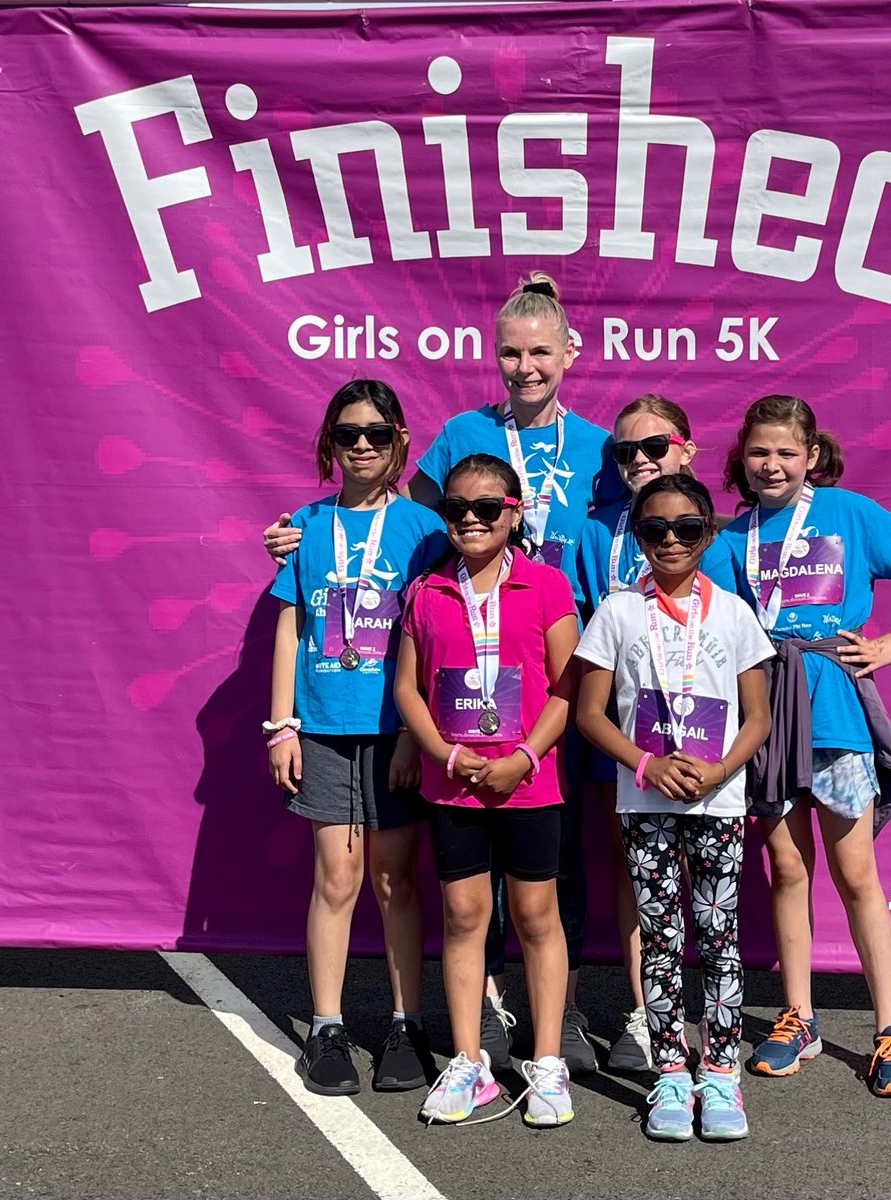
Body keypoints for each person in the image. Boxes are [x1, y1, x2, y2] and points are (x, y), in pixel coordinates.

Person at [264, 272, 617, 1076]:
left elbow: (634, 530)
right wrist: (292, 541)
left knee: (555, 858)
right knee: (466, 873)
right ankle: (480, 1009)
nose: (525, 366)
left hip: (555, 662)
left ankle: (551, 1019)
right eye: (510, 353)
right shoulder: (459, 433)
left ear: (569, 352)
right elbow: (409, 532)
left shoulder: (598, 446)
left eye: (539, 351)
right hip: (452, 692)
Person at [717, 394, 891, 1098]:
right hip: (766, 714)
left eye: (786, 453)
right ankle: (800, 1016)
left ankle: (890, 1026)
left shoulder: (848, 513)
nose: (772, 464)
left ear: (812, 456)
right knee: (787, 869)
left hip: (837, 720)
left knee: (856, 873)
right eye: (760, 452)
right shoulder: (734, 538)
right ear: (743, 457)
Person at [576, 474, 773, 1141]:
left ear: (708, 533)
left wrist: (718, 770)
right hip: (645, 799)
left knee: (719, 940)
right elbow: (589, 713)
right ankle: (668, 1070)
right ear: (637, 536)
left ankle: (720, 1073)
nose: (670, 540)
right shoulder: (618, 611)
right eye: (654, 529)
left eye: (686, 528)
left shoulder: (735, 615)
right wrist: (646, 763)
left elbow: (759, 717)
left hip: (718, 803)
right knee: (660, 941)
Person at [268, 380, 448, 1098]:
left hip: (394, 730)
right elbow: (289, 624)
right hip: (323, 729)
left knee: (394, 880)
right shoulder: (306, 526)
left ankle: (406, 1023)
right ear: (330, 445)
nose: (364, 444)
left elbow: (436, 635)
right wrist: (281, 725)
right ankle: (327, 1026)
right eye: (348, 434)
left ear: (401, 438)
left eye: (377, 431)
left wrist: (415, 730)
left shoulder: (424, 530)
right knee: (335, 879)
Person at [395, 453, 581, 1127]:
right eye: (456, 510)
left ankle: (549, 1062)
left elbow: (569, 686)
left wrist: (526, 755)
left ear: (514, 511)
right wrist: (443, 753)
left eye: (486, 509)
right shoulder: (425, 591)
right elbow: (407, 689)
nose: (470, 520)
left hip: (529, 782)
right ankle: (470, 1062)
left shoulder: (547, 586)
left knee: (536, 918)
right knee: (465, 918)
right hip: (455, 784)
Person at [574, 394, 736, 1070]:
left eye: (655, 447)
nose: (640, 460)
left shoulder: (707, 533)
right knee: (632, 870)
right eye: (626, 452)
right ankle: (645, 1014)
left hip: (699, 741)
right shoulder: (593, 530)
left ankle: (697, 1025)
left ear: (687, 450)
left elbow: (730, 638)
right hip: (621, 732)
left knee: (707, 891)